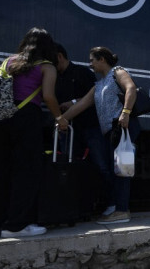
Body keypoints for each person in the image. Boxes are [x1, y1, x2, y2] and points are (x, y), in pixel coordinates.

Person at [0, 28, 68, 238]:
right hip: (26, 118)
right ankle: (16, 225)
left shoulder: (8, 62)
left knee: (0, 170)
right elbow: (48, 96)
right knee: (26, 171)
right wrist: (59, 118)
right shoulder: (47, 67)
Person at [59, 47, 140, 224]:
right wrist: (61, 120)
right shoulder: (99, 85)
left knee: (122, 169)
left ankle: (122, 211)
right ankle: (118, 207)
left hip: (123, 126)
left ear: (102, 59)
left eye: (92, 60)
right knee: (115, 169)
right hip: (111, 131)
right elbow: (81, 105)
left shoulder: (118, 72)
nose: (90, 64)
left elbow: (131, 88)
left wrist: (125, 112)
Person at [54, 44, 104, 197]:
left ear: (59, 57)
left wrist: (72, 103)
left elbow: (95, 97)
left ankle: (104, 199)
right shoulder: (55, 77)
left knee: (100, 164)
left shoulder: (82, 73)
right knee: (68, 166)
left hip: (89, 127)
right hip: (67, 128)